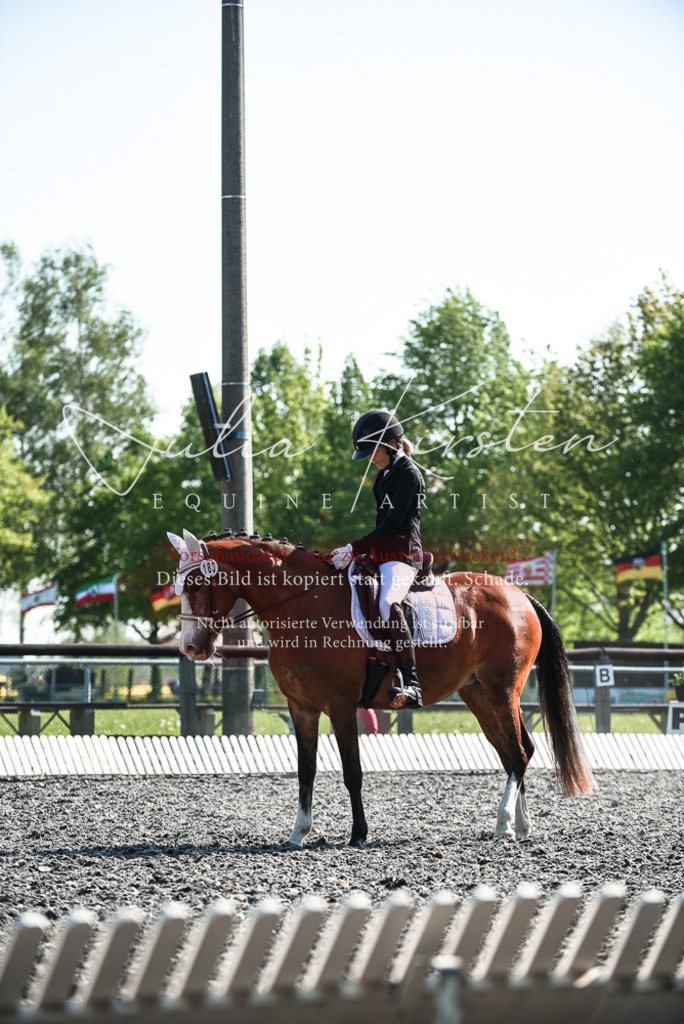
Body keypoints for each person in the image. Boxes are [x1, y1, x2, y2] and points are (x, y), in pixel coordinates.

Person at [331, 409, 426, 709]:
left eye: (373, 451)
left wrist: (354, 547)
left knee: (388, 603)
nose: (371, 458)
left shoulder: (409, 474)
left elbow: (394, 525)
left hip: (403, 553)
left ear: (392, 444)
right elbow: (379, 527)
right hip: (382, 552)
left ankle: (411, 683)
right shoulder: (383, 477)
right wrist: (357, 553)